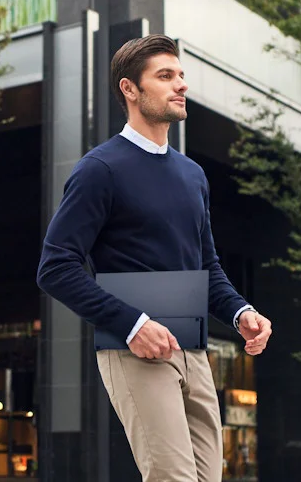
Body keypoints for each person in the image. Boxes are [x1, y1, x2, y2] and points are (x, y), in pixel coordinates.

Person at [36, 34, 273, 482]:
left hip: (194, 349)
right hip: (134, 349)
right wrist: (132, 324)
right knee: (173, 477)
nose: (180, 84)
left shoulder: (192, 174)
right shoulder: (100, 170)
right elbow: (55, 267)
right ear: (130, 89)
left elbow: (207, 266)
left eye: (181, 75)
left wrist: (240, 312)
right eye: (165, 76)